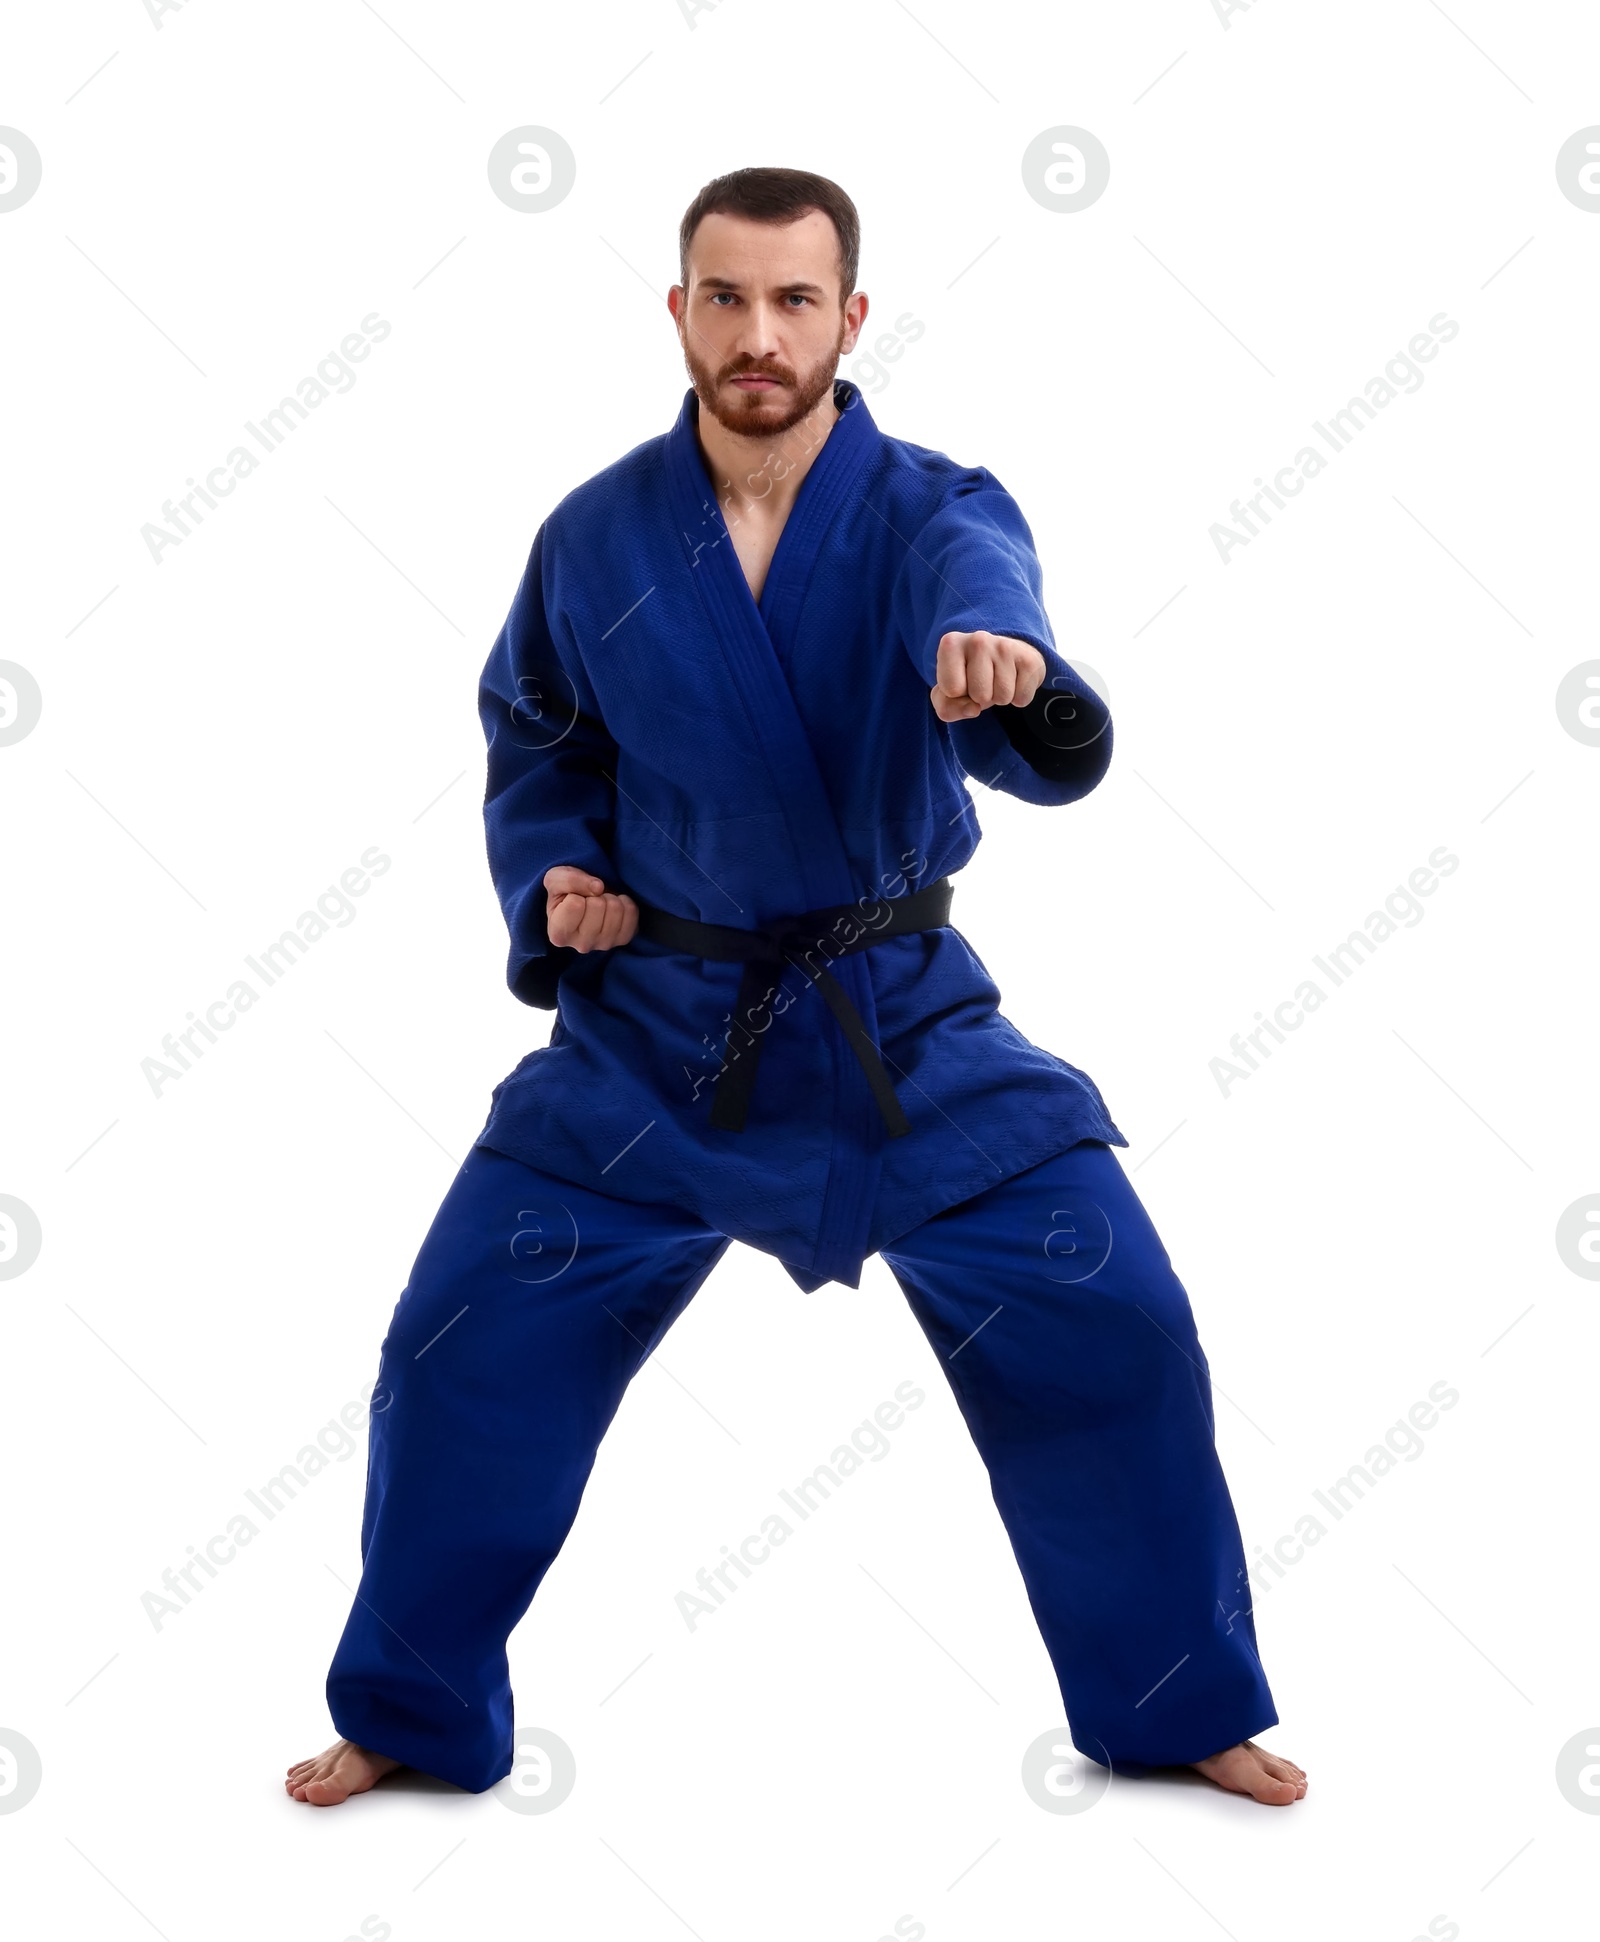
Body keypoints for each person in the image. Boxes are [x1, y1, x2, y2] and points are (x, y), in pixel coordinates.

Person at [287, 167, 1306, 1810]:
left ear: (850, 316)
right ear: (679, 309)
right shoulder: (598, 533)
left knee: (1115, 1315)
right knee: (463, 1339)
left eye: (794, 300)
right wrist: (558, 886)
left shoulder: (933, 509)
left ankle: (1172, 1705)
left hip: (898, 1020)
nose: (760, 334)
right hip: (648, 1043)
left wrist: (1002, 664)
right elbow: (540, 738)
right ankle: (414, 1710)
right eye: (726, 297)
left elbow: (988, 602)